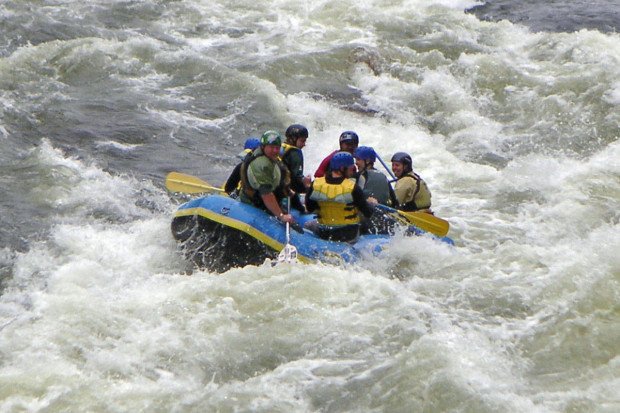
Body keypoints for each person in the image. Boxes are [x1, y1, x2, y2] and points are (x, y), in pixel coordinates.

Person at [305, 151, 376, 242]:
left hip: (324, 232)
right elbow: (367, 213)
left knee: (308, 225)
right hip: (348, 234)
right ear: (342, 168)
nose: (352, 172)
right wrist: (372, 204)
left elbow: (310, 208)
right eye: (350, 169)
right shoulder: (353, 187)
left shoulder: (316, 184)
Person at [239, 130, 295, 224]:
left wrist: (288, 191)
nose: (275, 151)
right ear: (263, 146)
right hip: (254, 203)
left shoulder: (270, 158)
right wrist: (281, 216)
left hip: (265, 200)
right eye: (271, 147)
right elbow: (266, 194)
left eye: (277, 148)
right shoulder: (261, 165)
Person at [281, 124, 311, 212]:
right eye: (302, 141)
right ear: (293, 139)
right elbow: (297, 176)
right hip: (287, 188)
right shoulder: (295, 152)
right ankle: (303, 210)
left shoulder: (280, 147)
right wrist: (306, 183)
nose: (304, 144)